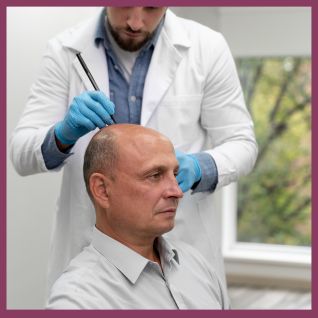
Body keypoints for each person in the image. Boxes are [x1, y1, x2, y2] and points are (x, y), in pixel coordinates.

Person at [10, 7, 258, 293]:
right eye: (125, 5)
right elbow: (21, 152)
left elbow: (243, 143)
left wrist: (201, 167)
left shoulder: (207, 48)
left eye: (151, 7)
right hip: (90, 251)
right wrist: (62, 134)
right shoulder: (64, 51)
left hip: (181, 249)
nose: (135, 22)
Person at [46, 124, 230, 309]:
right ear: (102, 190)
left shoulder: (196, 264)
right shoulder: (78, 301)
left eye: (174, 174)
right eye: (155, 175)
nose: (177, 191)